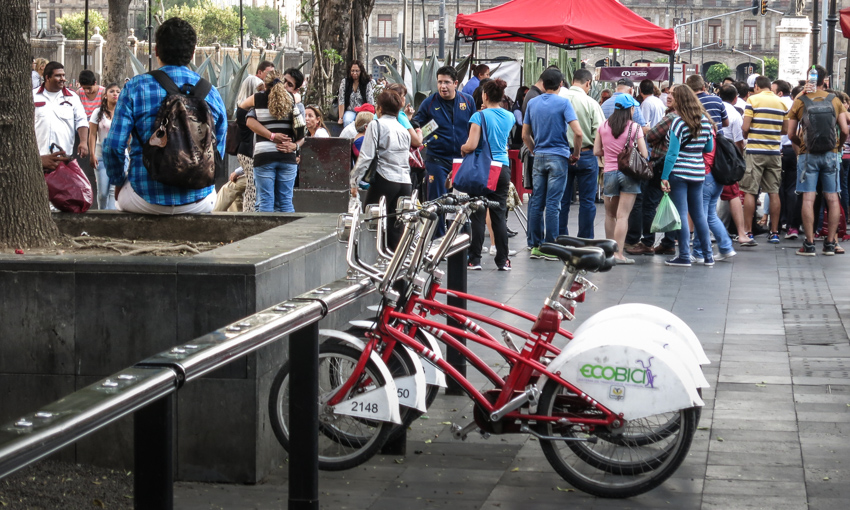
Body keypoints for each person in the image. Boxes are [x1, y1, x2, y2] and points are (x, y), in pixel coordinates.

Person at [103, 17, 226, 215]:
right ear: (192, 53)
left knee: (118, 201)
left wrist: (118, 181)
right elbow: (218, 150)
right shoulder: (212, 93)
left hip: (144, 198)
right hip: (199, 200)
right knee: (211, 196)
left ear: (157, 51)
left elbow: (113, 147)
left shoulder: (135, 87)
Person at [786, 65, 849, 256]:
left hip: (808, 155)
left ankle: (810, 243)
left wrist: (801, 147)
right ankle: (830, 243)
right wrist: (838, 146)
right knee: (832, 197)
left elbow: (790, 134)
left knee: (808, 197)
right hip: (831, 154)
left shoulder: (801, 101)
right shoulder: (835, 100)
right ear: (825, 80)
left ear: (809, 80)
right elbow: (845, 130)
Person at [522, 68, 583, 260]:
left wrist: (534, 150)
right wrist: (575, 154)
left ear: (542, 82)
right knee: (553, 203)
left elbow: (525, 135)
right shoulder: (564, 103)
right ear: (561, 85)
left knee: (536, 201)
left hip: (539, 156)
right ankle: (550, 246)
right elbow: (578, 133)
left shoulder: (532, 103)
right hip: (558, 157)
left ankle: (534, 245)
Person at [413, 66, 476, 237]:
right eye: (440, 82)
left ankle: (462, 238)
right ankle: (437, 238)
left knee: (462, 201)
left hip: (461, 161)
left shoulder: (468, 101)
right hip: (437, 159)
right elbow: (417, 123)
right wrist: (417, 127)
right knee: (438, 201)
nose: (443, 86)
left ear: (455, 83)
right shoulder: (430, 102)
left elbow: (474, 128)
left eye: (447, 82)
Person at [459, 78, 515, 271]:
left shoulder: (478, 116)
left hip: (482, 169)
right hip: (503, 168)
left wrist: (463, 148)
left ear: (484, 95)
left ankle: (474, 259)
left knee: (478, 213)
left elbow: (472, 144)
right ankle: (503, 260)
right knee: (499, 215)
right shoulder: (509, 116)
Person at [659, 85, 715, 267]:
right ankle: (708, 256)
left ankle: (684, 255)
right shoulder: (706, 121)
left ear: (680, 100)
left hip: (680, 173)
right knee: (699, 215)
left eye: (673, 97)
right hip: (698, 172)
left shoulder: (677, 122)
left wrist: (664, 176)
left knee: (682, 214)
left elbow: (672, 153)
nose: (670, 99)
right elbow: (708, 148)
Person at [350, 90, 412, 249]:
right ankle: (394, 264)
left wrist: (354, 180)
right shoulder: (404, 130)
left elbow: (366, 156)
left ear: (379, 108)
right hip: (405, 182)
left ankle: (375, 260)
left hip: (385, 178)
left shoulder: (376, 125)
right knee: (396, 226)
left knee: (370, 217)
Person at [242, 70, 306, 212]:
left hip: (264, 155)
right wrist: (294, 146)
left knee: (265, 201)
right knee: (286, 202)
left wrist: (271, 136)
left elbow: (242, 111)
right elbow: (302, 133)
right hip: (287, 156)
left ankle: (265, 234)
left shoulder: (258, 99)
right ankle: (287, 234)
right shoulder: (292, 100)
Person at [594, 94, 647, 264]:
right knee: (623, 216)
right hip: (629, 174)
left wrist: (610, 153)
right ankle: (619, 254)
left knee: (610, 215)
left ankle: (609, 253)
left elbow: (596, 151)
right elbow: (644, 154)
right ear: (630, 109)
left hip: (609, 173)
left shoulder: (603, 126)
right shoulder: (635, 128)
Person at [624, 79, 669, 255]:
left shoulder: (645, 105)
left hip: (653, 155)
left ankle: (645, 240)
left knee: (645, 202)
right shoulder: (659, 103)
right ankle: (667, 240)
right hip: (664, 156)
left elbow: (645, 130)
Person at [741, 75, 787, 245]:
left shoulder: (753, 100)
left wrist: (748, 133)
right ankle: (774, 232)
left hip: (754, 151)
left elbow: (745, 127)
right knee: (773, 192)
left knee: (750, 191)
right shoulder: (781, 102)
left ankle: (748, 231)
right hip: (774, 152)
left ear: (757, 87)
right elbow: (785, 130)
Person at [559, 68, 604, 239]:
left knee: (562, 200)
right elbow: (599, 132)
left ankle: (561, 236)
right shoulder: (591, 103)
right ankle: (585, 238)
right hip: (586, 154)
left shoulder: (559, 100)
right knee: (587, 201)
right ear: (588, 83)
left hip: (561, 154)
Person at [33, 61, 89, 173]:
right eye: (58, 76)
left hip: (64, 159)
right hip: (37, 159)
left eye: (63, 75)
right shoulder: (33, 96)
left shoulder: (72, 97)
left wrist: (83, 142)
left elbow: (81, 120)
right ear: (47, 78)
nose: (63, 79)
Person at [87, 83, 123, 210]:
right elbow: (92, 134)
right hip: (101, 156)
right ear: (105, 95)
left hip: (119, 156)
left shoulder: (123, 112)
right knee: (102, 193)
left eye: (118, 91)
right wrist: (92, 154)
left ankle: (111, 224)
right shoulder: (98, 112)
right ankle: (101, 214)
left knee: (114, 192)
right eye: (112, 91)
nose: (115, 94)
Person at [235, 78, 267, 212]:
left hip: (246, 151)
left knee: (251, 184)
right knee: (252, 187)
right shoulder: (247, 111)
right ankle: (249, 213)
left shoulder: (242, 109)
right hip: (249, 151)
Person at [337, 60, 374, 127]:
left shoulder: (366, 83)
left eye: (357, 71)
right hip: (350, 110)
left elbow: (370, 100)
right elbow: (341, 100)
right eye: (352, 71)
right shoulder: (345, 82)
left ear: (361, 71)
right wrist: (340, 118)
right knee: (347, 120)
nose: (354, 73)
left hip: (363, 111)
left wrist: (370, 114)